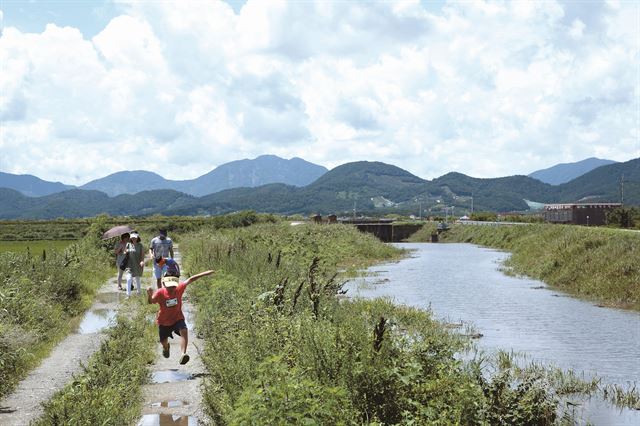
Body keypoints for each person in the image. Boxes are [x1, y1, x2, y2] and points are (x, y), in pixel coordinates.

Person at [147, 270, 215, 365]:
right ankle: (166, 347)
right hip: (163, 322)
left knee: (184, 330)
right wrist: (149, 295)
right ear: (164, 284)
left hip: (177, 318)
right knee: (163, 341)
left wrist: (206, 273)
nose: (171, 287)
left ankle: (183, 354)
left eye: (173, 285)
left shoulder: (179, 288)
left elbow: (191, 279)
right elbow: (151, 301)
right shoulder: (160, 292)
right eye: (169, 285)